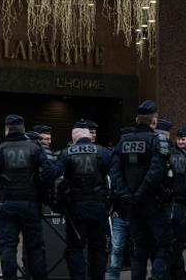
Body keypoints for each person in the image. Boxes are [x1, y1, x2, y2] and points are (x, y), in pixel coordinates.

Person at [0, 114, 54, 280]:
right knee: (35, 248)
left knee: (8, 247)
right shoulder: (35, 147)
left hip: (7, 204)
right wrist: (42, 194)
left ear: (7, 129)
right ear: (23, 129)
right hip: (30, 204)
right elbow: (49, 171)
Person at [110, 100, 172, 280]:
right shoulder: (156, 141)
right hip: (152, 202)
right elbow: (156, 172)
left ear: (137, 120)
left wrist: (126, 194)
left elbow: (115, 172)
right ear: (154, 121)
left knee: (140, 247)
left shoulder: (123, 142)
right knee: (163, 245)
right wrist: (140, 194)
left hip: (132, 204)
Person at [54, 120, 112, 280]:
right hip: (99, 207)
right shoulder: (103, 152)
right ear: (89, 135)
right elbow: (116, 177)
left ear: (74, 138)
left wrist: (57, 201)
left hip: (75, 209)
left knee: (75, 248)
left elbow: (55, 177)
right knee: (98, 249)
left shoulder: (67, 153)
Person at [106, 126, 136, 280]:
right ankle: (113, 276)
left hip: (132, 209)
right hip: (121, 209)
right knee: (117, 248)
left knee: (131, 248)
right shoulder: (116, 158)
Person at [168, 126, 186, 280]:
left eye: (183, 139)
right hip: (179, 202)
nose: (181, 141)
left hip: (185, 203)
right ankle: (178, 274)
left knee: (178, 241)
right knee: (177, 242)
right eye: (178, 139)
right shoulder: (176, 154)